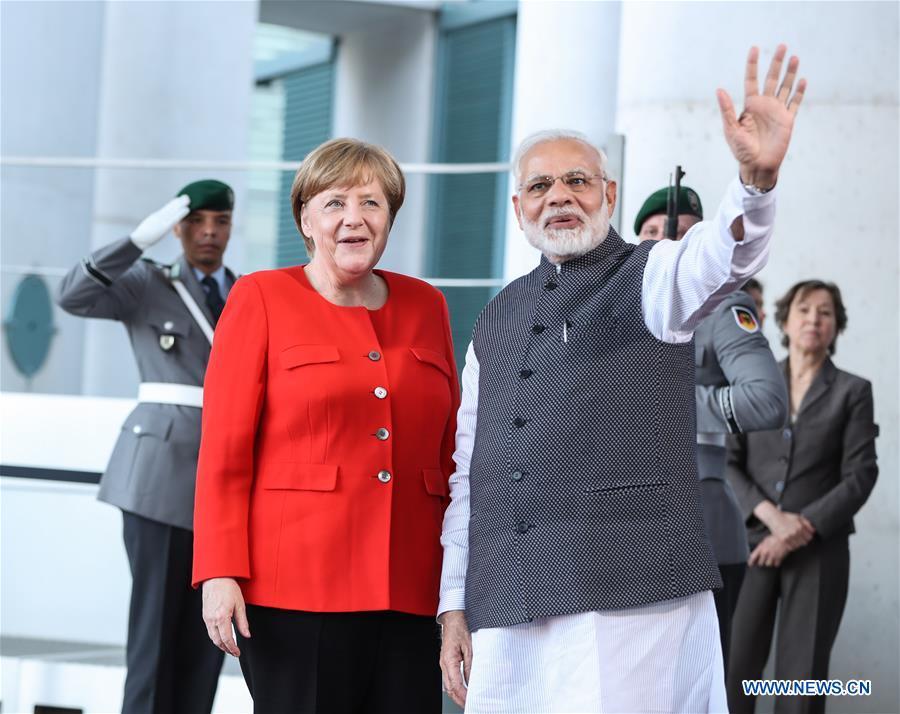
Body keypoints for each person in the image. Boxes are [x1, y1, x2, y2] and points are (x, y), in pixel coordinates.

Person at [438, 44, 806, 713]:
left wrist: (754, 184)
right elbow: (469, 472)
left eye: (578, 181)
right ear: (518, 207)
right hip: (509, 598)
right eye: (542, 187)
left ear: (609, 194)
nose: (561, 198)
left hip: (625, 596)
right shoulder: (495, 315)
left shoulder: (650, 273)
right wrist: (453, 605)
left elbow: (717, 259)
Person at [192, 138, 460, 714]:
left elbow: (449, 454)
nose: (354, 219)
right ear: (306, 219)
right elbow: (223, 451)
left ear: (390, 218)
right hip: (295, 589)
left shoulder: (427, 304)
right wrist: (218, 571)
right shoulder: (260, 296)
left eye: (372, 203)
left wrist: (458, 589)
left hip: (412, 588)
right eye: (335, 202)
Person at [57, 179, 236, 714]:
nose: (208, 233)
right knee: (155, 632)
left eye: (220, 222)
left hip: (225, 479)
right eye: (197, 222)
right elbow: (73, 295)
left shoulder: (248, 291)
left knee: (212, 632)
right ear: (177, 227)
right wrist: (135, 241)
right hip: (158, 476)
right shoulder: (148, 283)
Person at [636, 186, 788, 671]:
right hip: (618, 530)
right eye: (652, 232)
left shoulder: (723, 305)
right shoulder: (612, 306)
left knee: (700, 685)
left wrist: (658, 403)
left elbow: (766, 400)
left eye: (678, 233)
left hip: (701, 524)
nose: (663, 242)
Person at [726, 280, 878, 714]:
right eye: (805, 309)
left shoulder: (853, 391)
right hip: (752, 547)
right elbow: (730, 463)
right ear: (785, 321)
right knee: (735, 671)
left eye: (825, 312)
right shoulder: (755, 383)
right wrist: (774, 520)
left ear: (836, 326)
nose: (814, 319)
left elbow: (860, 474)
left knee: (801, 677)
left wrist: (799, 529)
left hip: (819, 553)